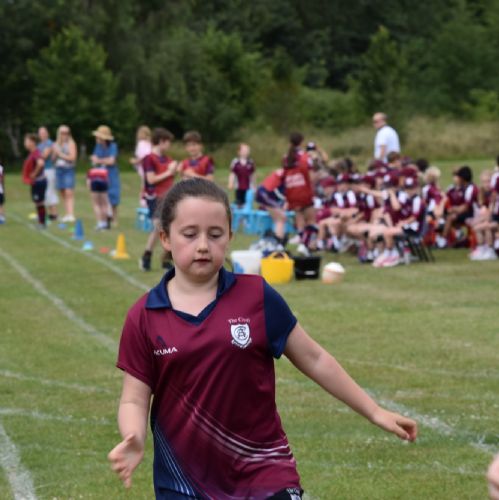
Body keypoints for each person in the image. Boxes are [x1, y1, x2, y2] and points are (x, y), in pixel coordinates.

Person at [108, 178, 417, 499]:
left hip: (265, 472)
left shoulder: (256, 296)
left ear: (229, 236)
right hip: (184, 484)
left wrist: (374, 411)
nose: (203, 245)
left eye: (215, 234)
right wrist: (134, 437)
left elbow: (314, 358)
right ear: (165, 238)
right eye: (189, 234)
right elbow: (134, 399)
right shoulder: (144, 315)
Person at [139, 128, 179, 271]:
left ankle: (164, 258)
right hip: (155, 197)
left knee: (168, 228)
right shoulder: (149, 159)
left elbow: (170, 178)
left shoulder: (168, 160)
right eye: (168, 142)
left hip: (168, 197)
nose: (169, 145)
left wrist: (174, 170)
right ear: (161, 141)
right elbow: (151, 179)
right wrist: (169, 172)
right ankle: (147, 255)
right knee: (159, 226)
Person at [281, 132, 316, 254]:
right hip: (303, 190)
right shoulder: (305, 157)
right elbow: (311, 177)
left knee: (299, 219)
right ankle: (305, 245)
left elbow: (284, 174)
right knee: (311, 220)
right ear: (301, 142)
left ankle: (301, 241)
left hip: (291, 190)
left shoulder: (286, 157)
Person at [91, 125, 120, 226]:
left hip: (111, 174)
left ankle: (114, 218)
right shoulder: (98, 146)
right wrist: (104, 160)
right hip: (100, 175)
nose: (97, 138)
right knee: (103, 196)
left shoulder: (113, 146)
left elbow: (111, 161)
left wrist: (99, 160)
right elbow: (94, 158)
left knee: (113, 196)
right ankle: (105, 218)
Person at [52, 124, 77, 223]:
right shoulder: (56, 144)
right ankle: (67, 214)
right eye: (62, 133)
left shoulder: (71, 143)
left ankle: (71, 214)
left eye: (66, 133)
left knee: (68, 192)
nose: (64, 135)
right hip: (59, 169)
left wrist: (60, 154)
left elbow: (72, 157)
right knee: (62, 192)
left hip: (68, 169)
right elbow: (53, 159)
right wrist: (55, 153)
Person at [255, 169, 287, 243]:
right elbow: (279, 192)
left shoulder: (285, 172)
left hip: (266, 194)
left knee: (280, 218)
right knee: (281, 218)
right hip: (265, 194)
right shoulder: (287, 173)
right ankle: (277, 241)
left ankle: (277, 240)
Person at [22, 133, 47, 228]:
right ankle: (41, 221)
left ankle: (42, 223)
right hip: (36, 182)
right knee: (38, 202)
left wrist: (34, 174)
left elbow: (41, 163)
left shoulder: (36, 152)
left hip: (39, 181)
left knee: (39, 202)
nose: (25, 143)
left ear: (32, 142)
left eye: (26, 141)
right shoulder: (33, 153)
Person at [37, 126, 58, 221]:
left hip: (49, 170)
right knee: (44, 192)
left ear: (47, 134)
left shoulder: (49, 143)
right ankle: (48, 213)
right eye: (40, 133)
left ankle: (54, 213)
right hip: (42, 171)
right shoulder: (40, 145)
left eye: (44, 133)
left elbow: (44, 156)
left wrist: (36, 157)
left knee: (49, 191)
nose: (42, 135)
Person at [130, 126, 152, 205]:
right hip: (150, 167)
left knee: (144, 185)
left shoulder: (141, 143)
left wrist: (134, 161)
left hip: (144, 167)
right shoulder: (150, 143)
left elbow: (142, 157)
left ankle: (143, 202)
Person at [227, 143, 255, 207]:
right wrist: (230, 183)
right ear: (239, 152)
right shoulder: (235, 162)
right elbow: (232, 174)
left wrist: (254, 186)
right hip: (239, 187)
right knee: (239, 203)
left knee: (248, 203)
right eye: (243, 151)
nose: (245, 152)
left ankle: (246, 212)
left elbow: (252, 175)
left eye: (247, 151)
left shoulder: (251, 162)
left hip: (248, 187)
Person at [87, 160, 111, 231]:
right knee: (104, 204)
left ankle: (99, 223)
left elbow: (88, 182)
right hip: (103, 184)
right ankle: (105, 223)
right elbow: (108, 181)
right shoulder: (105, 171)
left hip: (94, 184)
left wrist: (90, 189)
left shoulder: (91, 171)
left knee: (96, 204)